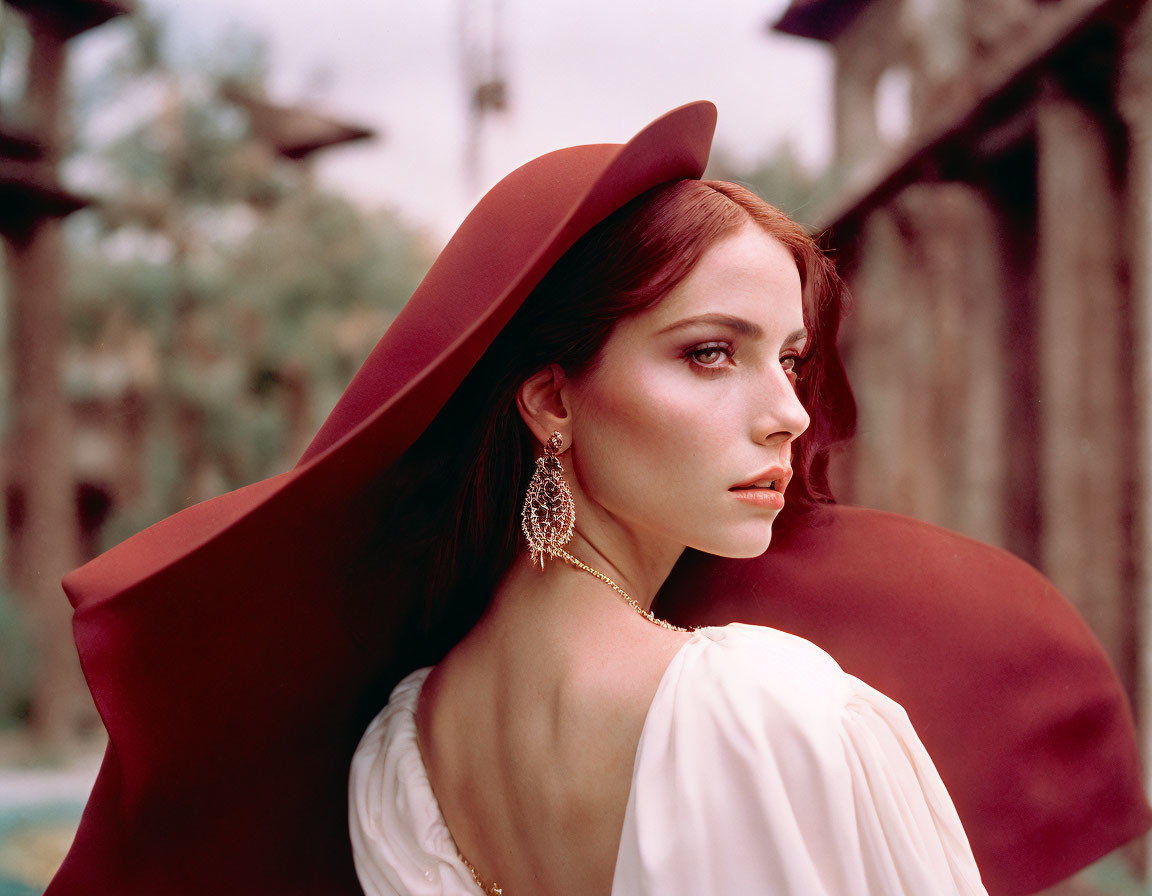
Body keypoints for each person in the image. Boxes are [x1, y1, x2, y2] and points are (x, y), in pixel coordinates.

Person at [47, 102, 1149, 896]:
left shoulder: (395, 755)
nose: (790, 414)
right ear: (550, 399)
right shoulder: (771, 713)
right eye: (712, 352)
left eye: (792, 360)